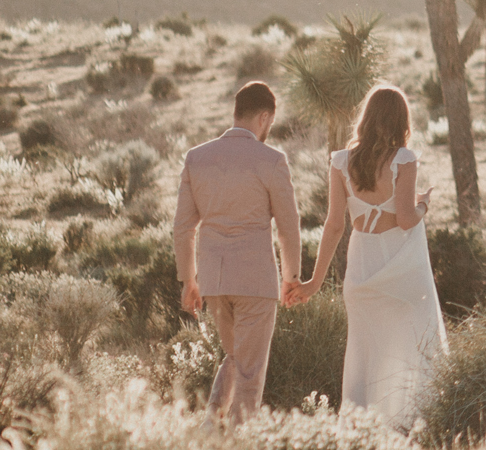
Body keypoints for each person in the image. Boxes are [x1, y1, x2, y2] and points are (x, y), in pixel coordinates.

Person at [288, 83, 445, 429]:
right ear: (401, 120)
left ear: (367, 117)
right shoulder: (404, 159)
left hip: (360, 269)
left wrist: (315, 281)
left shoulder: (341, 162)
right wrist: (423, 204)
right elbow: (404, 219)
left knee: (364, 353)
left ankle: (360, 428)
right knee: (409, 345)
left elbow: (333, 226)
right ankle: (407, 425)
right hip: (399, 269)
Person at [172, 79, 303, 423]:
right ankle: (240, 448)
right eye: (269, 124)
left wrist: (188, 280)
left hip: (214, 281)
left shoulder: (196, 158)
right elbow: (289, 229)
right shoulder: (272, 160)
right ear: (263, 117)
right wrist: (291, 277)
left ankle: (211, 427)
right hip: (256, 280)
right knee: (250, 371)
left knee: (234, 357)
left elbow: (183, 227)